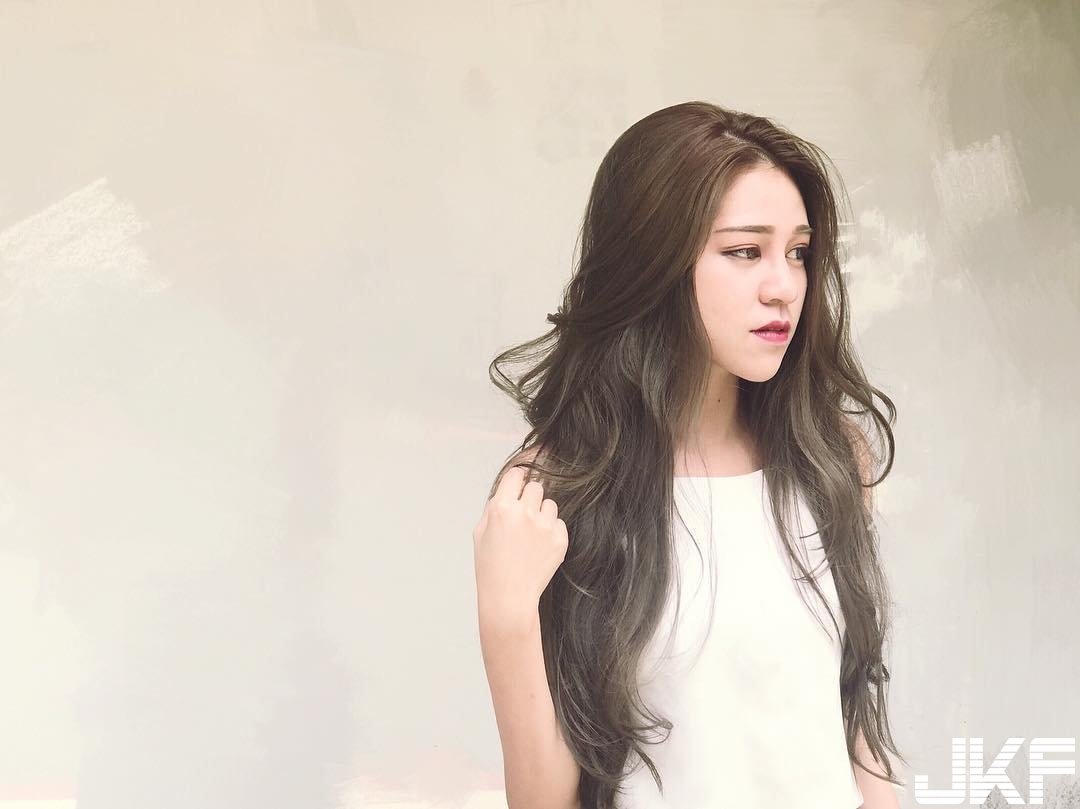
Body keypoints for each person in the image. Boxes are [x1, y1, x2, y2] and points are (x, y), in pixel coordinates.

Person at [472, 101, 907, 809]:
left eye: (798, 252)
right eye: (745, 251)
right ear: (656, 262)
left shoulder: (831, 459)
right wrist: (505, 617)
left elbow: (854, 732)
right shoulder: (561, 487)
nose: (784, 286)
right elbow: (547, 801)